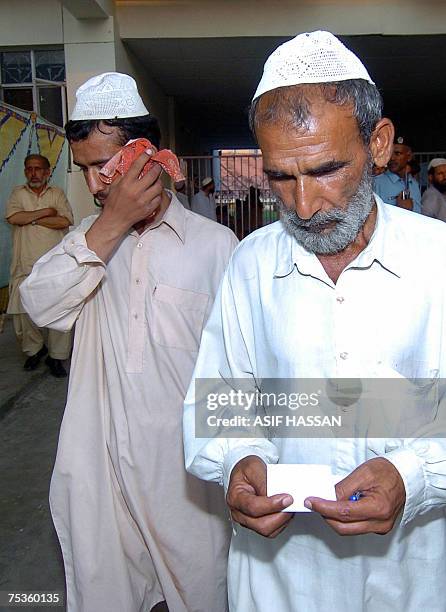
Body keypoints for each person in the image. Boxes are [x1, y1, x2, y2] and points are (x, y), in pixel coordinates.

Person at [183, 31, 446, 611]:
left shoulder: (440, 260)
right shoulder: (250, 265)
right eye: (280, 177)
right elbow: (222, 399)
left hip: (413, 577)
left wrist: (416, 477)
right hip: (280, 580)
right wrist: (236, 459)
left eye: (326, 170)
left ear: (378, 145)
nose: (304, 206)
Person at [20, 72, 238, 612]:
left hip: (186, 482)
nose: (94, 184)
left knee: (202, 595)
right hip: (102, 473)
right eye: (84, 169)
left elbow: (236, 372)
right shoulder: (86, 243)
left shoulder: (216, 247)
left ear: (146, 155)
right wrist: (110, 225)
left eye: (103, 165)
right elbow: (40, 303)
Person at [5, 154, 73, 377]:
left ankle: (56, 357)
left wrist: (30, 218)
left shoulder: (57, 193)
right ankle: (34, 350)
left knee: (59, 310)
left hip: (54, 266)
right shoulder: (17, 193)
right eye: (29, 169)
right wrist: (45, 213)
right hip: (25, 264)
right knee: (24, 312)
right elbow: (14, 217)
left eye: (38, 169)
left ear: (47, 172)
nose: (33, 173)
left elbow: (65, 221)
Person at [373, 136, 421, 212]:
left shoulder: (414, 184)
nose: (392, 158)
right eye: (389, 153)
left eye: (397, 153)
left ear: (409, 157)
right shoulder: (376, 183)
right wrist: (400, 211)